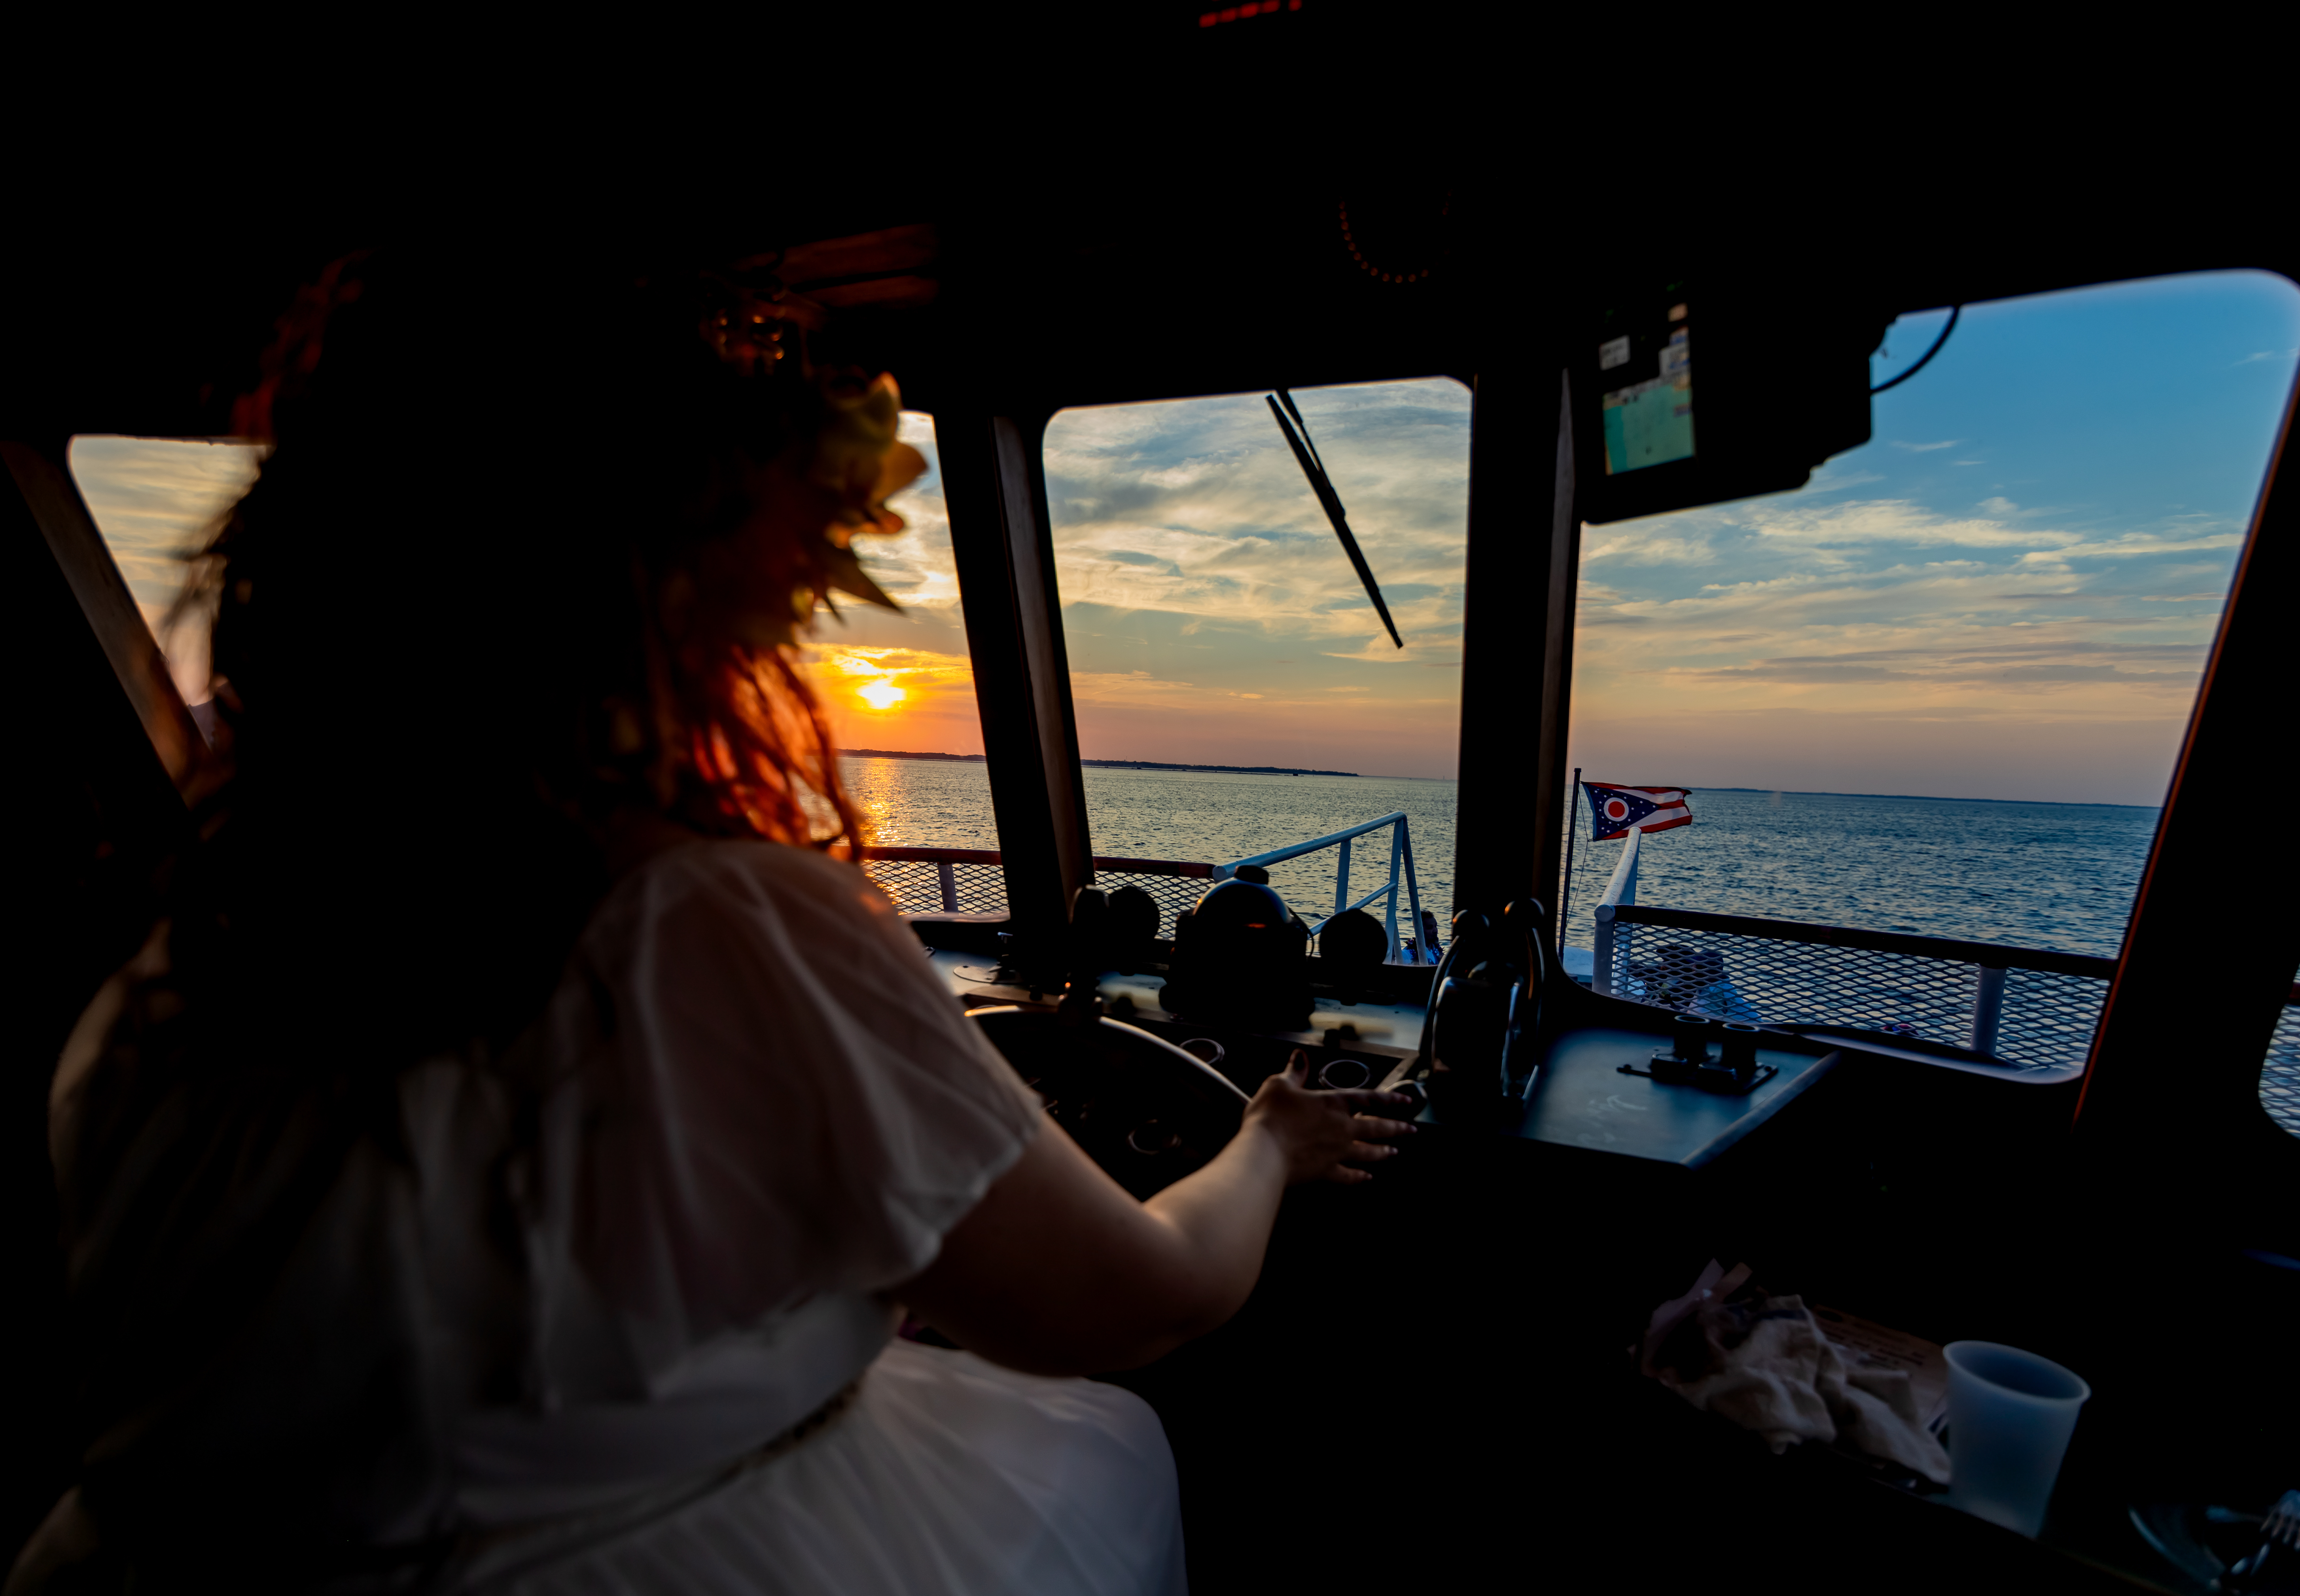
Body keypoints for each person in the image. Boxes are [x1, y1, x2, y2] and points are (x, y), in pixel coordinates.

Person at [11, 241, 1414, 1594]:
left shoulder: (170, 978)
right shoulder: (726, 922)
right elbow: (1145, 1295)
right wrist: (1271, 1143)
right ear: (686, 587)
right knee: (1117, 1448)